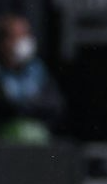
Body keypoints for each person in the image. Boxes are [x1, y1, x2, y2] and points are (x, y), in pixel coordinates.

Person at [0, 14, 65, 145]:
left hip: (37, 143)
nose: (24, 41)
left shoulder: (38, 71)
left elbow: (55, 107)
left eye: (26, 35)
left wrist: (23, 107)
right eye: (17, 36)